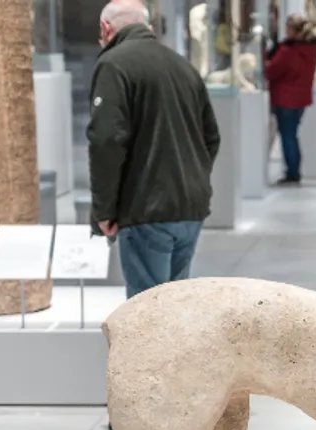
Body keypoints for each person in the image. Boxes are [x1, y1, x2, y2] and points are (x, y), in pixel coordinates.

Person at [89, 0, 220, 300]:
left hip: (146, 209)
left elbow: (106, 140)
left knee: (147, 312)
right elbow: (211, 137)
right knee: (173, 308)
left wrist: (104, 209)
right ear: (147, 27)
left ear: (106, 29)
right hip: (190, 208)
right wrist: (191, 178)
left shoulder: (114, 64)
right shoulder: (182, 66)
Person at [265, 14, 316, 185]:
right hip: (300, 98)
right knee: (292, 135)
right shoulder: (310, 49)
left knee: (288, 136)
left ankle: (292, 172)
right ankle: (294, 170)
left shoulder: (289, 51)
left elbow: (272, 71)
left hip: (286, 98)